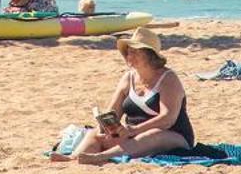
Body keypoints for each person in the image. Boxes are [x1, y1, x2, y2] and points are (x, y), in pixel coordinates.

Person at [68, 27, 195, 164]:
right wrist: (107, 126)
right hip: (132, 134)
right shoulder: (128, 78)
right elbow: (113, 111)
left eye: (135, 52)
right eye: (128, 52)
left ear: (150, 55)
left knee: (151, 136)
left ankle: (101, 157)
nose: (129, 56)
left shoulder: (168, 79)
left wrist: (134, 130)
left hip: (173, 135)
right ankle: (73, 157)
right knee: (94, 133)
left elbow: (168, 119)